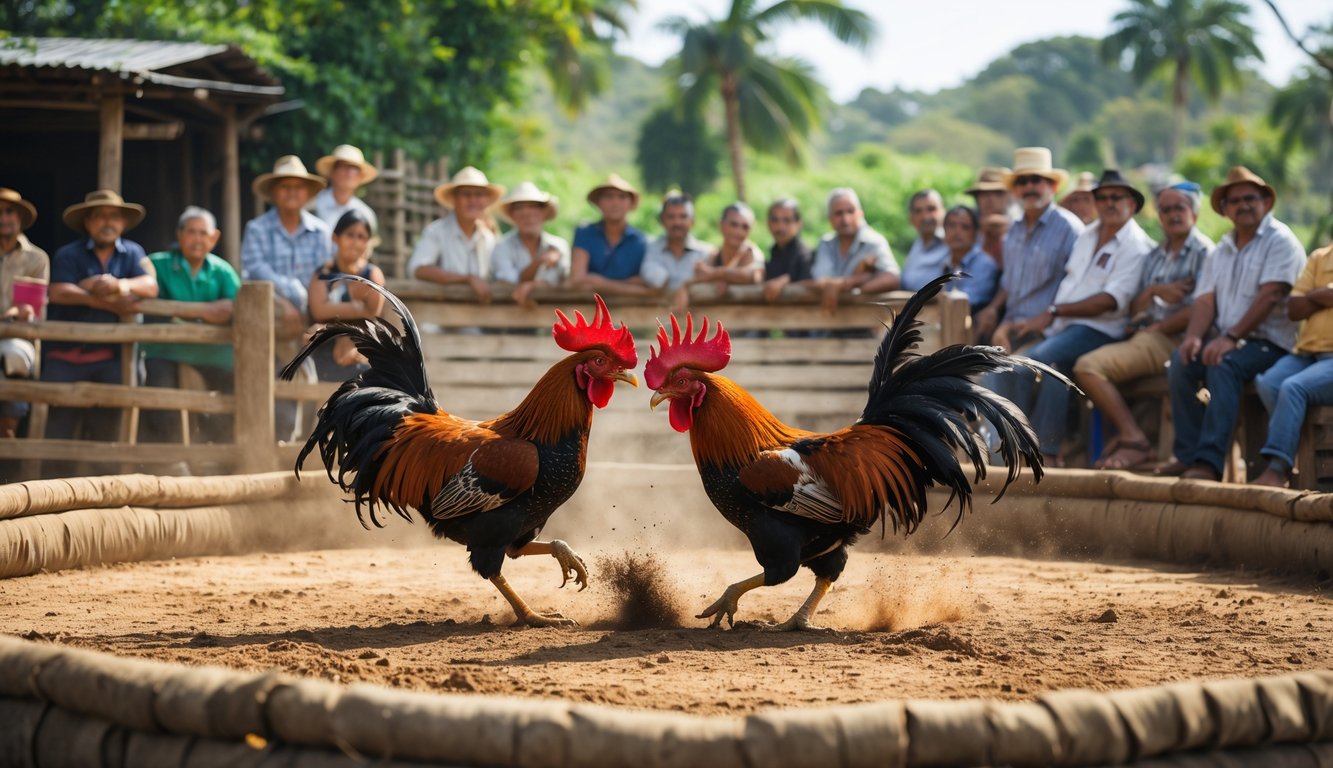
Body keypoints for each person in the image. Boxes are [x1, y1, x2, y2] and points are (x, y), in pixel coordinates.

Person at [984, 169, 1154, 466]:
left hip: (1102, 328)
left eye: (1117, 197)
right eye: (1103, 197)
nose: (1109, 203)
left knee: (1037, 361)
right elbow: (1066, 284)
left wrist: (1053, 313)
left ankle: (1039, 450)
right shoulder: (1089, 234)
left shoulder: (1136, 245)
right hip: (1063, 325)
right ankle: (1028, 451)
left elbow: (1110, 301)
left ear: (1132, 204)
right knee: (1035, 367)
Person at [1160, 166, 1306, 482]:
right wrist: (1193, 337)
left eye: (1250, 198)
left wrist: (1230, 337)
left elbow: (1271, 295)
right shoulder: (1222, 248)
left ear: (1265, 202)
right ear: (1225, 209)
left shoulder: (1281, 240)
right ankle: (1187, 456)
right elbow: (1205, 300)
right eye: (1235, 201)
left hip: (1273, 344)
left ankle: (1208, 463)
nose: (1243, 205)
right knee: (1181, 361)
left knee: (1223, 364)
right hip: (1232, 340)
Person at [1075, 181, 1213, 471]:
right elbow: (1135, 307)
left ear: (1194, 214)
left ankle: (1134, 440)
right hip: (1147, 336)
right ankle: (1127, 443)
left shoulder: (1205, 252)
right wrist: (1154, 291)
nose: (1173, 215)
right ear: (1159, 215)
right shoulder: (1155, 254)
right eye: (1166, 209)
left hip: (1178, 340)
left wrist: (1158, 327)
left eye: (1179, 208)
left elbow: (1201, 308)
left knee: (1088, 367)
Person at [43, 190, 158, 477]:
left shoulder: (133, 252)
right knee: (58, 429)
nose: (108, 222)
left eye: (114, 216)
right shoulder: (68, 254)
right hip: (65, 355)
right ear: (87, 223)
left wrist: (120, 285)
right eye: (100, 216)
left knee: (107, 428)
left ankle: (104, 490)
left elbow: (150, 285)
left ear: (123, 223)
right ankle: (52, 489)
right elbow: (58, 291)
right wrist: (101, 298)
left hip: (110, 357)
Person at [139, 207, 241, 447]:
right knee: (161, 399)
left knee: (234, 395)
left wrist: (178, 312)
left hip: (214, 354)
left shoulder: (222, 271)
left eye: (203, 233)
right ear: (179, 235)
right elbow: (142, 293)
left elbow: (239, 306)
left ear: (214, 238)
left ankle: (222, 452)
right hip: (165, 351)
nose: (197, 239)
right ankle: (170, 457)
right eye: (191, 232)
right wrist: (206, 311)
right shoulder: (156, 264)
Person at [975, 147, 1084, 348]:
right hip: (1010, 328)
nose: (1028, 187)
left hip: (1048, 332)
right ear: (1015, 190)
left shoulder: (1070, 229)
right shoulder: (1014, 229)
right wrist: (993, 309)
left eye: (1035, 180)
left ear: (1052, 185)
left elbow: (1078, 287)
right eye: (1022, 182)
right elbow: (1009, 282)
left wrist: (1047, 318)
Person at [1252, 244, 1333, 487]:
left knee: (1293, 388)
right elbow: (1295, 309)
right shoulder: (1321, 257)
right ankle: (1293, 452)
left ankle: (1277, 469)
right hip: (1308, 354)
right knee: (1268, 383)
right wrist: (1321, 295)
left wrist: (1312, 296)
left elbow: (1304, 303)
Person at [241, 155, 332, 341]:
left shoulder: (320, 231)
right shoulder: (256, 229)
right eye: (285, 186)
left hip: (313, 312)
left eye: (298, 187)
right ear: (273, 192)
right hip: (269, 312)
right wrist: (285, 302)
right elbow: (256, 271)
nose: (292, 192)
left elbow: (325, 276)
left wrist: (312, 308)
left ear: (307, 193)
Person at [306, 210, 386, 381]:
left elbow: (371, 315)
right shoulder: (323, 275)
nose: (355, 242)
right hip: (324, 349)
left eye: (361, 237)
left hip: (361, 346)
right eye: (350, 235)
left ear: (368, 242)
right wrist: (357, 308)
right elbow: (319, 311)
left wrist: (339, 331)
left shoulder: (373, 275)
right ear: (335, 238)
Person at [408, 166, 503, 304]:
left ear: (485, 201)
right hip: (442, 313)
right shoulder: (436, 232)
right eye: (466, 194)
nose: (473, 200)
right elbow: (419, 269)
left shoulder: (489, 239)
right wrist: (467, 279)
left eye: (479, 195)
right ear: (454, 199)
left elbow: (501, 275)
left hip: (480, 314)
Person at [0, 188, 50, 438]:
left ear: (19, 217)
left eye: (9, 211)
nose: (3, 218)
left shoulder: (36, 258)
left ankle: (8, 435)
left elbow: (35, 311)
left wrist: (21, 312)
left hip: (17, 338)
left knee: (13, 356)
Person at [808, 187, 900, 313]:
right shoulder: (826, 243)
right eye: (838, 213)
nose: (845, 219)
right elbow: (820, 281)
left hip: (867, 319)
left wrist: (849, 287)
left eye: (850, 211)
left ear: (860, 214)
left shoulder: (874, 242)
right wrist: (862, 278)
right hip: (829, 320)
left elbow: (892, 278)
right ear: (830, 219)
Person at [490, 181, 569, 308]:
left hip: (552, 315)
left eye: (533, 207)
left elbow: (561, 280)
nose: (527, 214)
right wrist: (539, 261)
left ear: (544, 213)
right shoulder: (501, 247)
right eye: (519, 208)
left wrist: (532, 286)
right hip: (509, 316)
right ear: (512, 215)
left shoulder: (559, 246)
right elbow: (508, 280)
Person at [570, 173, 651, 295]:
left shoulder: (641, 241)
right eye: (608, 196)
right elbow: (577, 279)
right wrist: (628, 285)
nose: (615, 203)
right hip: (588, 304)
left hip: (629, 306)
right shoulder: (585, 233)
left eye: (622, 197)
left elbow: (647, 283)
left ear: (630, 203)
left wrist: (599, 282)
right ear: (599, 202)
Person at [639, 193, 712, 312]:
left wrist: (686, 286)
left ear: (692, 221)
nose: (677, 222)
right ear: (662, 220)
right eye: (671, 217)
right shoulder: (649, 249)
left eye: (683, 216)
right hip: (654, 320)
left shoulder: (706, 253)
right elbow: (655, 279)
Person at [689, 201, 764, 310]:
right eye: (734, 224)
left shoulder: (754, 254)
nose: (738, 231)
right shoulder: (714, 255)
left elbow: (753, 275)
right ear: (721, 225)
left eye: (745, 227)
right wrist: (684, 287)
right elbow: (701, 276)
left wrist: (715, 274)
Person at [937, 205, 999, 311]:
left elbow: (964, 302)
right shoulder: (945, 262)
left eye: (965, 227)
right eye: (951, 225)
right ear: (944, 230)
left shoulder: (984, 264)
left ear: (975, 234)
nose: (957, 232)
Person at [312, 144, 379, 235]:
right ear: (332, 171)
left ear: (360, 177)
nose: (349, 172)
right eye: (344, 166)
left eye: (355, 168)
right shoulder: (313, 206)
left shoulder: (366, 214)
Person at [761, 197, 813, 303]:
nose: (780, 227)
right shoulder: (772, 253)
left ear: (799, 224)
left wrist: (786, 281)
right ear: (768, 224)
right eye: (775, 220)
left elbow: (808, 283)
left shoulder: (806, 255)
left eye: (787, 220)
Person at [900, 190, 949, 291]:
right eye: (918, 211)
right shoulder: (917, 244)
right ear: (911, 218)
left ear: (943, 212)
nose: (926, 217)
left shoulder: (952, 243)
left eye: (931, 209)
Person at [965, 167, 1011, 266]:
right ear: (977, 198)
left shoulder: (1020, 227)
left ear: (1008, 196)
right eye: (984, 194)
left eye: (997, 193)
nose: (990, 199)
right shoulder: (966, 225)